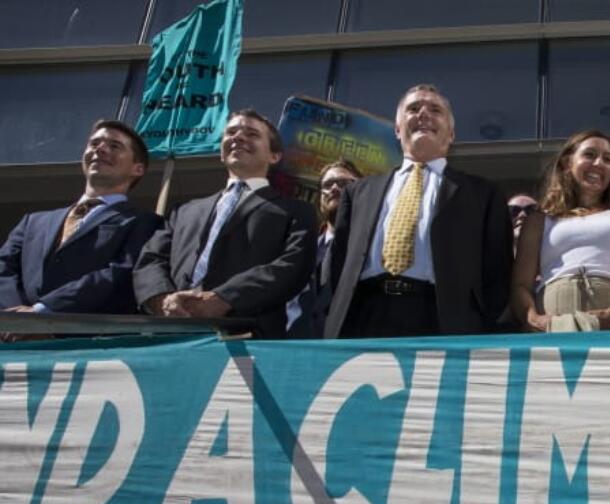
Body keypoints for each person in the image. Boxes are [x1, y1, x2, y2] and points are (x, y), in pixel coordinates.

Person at [324, 84, 513, 338]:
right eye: (413, 109)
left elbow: (497, 273)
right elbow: (337, 265)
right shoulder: (358, 193)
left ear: (452, 134)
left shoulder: (483, 195)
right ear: (398, 129)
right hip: (363, 317)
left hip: (442, 320)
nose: (423, 114)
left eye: (435, 110)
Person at [134, 109, 316, 338]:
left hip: (249, 337)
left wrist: (225, 298)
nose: (238, 137)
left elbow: (293, 266)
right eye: (231, 132)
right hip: (170, 334)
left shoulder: (297, 211)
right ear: (221, 152)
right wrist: (163, 300)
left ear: (274, 156)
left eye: (252, 134)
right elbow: (151, 259)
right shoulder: (184, 211)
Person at [0, 120, 163, 335]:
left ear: (137, 168)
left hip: (83, 342)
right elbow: (3, 269)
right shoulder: (33, 221)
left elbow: (120, 274)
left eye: (114, 146)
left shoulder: (146, 223)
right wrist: (14, 318)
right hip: (10, 338)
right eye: (94, 143)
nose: (100, 149)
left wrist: (43, 312)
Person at [510, 130, 610, 332]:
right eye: (589, 155)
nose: (598, 163)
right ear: (566, 163)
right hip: (553, 327)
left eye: (607, 159)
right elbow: (520, 284)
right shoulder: (538, 219)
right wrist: (534, 320)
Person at [286, 158, 361, 337]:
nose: (334, 188)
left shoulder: (374, 247)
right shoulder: (301, 248)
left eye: (344, 183)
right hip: (297, 346)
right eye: (327, 185)